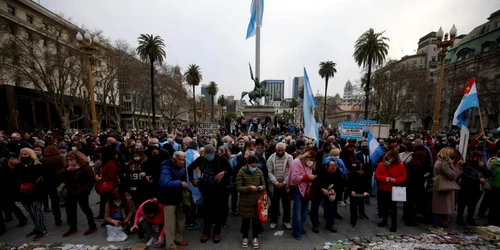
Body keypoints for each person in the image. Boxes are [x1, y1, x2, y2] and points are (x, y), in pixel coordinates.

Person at [188, 145, 232, 244]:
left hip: (220, 189)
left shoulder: (221, 159)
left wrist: (224, 173)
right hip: (206, 189)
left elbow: (231, 170)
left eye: (211, 154)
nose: (209, 156)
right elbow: (190, 168)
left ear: (214, 153)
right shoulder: (201, 160)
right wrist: (192, 180)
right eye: (207, 155)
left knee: (219, 211)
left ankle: (217, 232)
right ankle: (206, 232)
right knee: (207, 211)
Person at [8, 148, 49, 240]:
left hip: (35, 193)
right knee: (32, 213)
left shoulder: (37, 165)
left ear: (31, 155)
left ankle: (43, 230)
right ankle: (37, 228)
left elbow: (31, 176)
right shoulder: (20, 166)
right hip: (23, 194)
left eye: (25, 154)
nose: (22, 156)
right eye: (21, 154)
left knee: (37, 213)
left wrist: (18, 166)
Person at [59, 151, 97, 237]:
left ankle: (92, 226)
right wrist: (66, 170)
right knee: (71, 210)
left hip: (81, 190)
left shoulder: (85, 167)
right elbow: (58, 175)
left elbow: (91, 180)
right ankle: (73, 228)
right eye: (68, 160)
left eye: (72, 159)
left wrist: (86, 190)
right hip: (70, 190)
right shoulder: (67, 167)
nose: (70, 161)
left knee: (85, 208)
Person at [159, 151, 189, 250]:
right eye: (180, 159)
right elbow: (165, 183)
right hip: (169, 198)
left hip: (179, 197)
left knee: (181, 219)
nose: (182, 162)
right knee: (170, 223)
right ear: (174, 159)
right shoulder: (166, 167)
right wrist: (180, 183)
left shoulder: (182, 167)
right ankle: (170, 245)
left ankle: (178, 238)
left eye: (183, 159)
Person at [374, 149, 407, 232]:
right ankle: (384, 221)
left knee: (393, 208)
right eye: (389, 157)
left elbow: (404, 177)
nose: (390, 159)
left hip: (393, 190)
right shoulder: (381, 165)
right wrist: (385, 179)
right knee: (384, 206)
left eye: (392, 157)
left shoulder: (400, 165)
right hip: (383, 188)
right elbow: (377, 175)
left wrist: (395, 180)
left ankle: (394, 224)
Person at [236, 155, 265, 249]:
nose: (254, 168)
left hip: (257, 200)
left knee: (256, 221)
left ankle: (255, 238)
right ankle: (245, 237)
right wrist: (249, 188)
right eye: (252, 166)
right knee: (246, 221)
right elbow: (238, 187)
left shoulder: (259, 171)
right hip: (245, 201)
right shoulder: (241, 172)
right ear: (248, 164)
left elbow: (263, 184)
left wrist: (261, 187)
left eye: (255, 166)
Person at [431, 147, 462, 232]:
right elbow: (452, 176)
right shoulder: (444, 164)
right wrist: (457, 167)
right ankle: (436, 225)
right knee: (440, 208)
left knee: (438, 207)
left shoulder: (439, 161)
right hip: (444, 187)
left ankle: (437, 224)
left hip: (440, 185)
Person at [456, 151, 490, 226]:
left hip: (476, 189)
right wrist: (478, 180)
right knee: (462, 204)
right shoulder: (466, 165)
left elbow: (488, 174)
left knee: (473, 205)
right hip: (466, 187)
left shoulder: (480, 166)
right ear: (472, 157)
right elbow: (464, 175)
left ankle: (470, 219)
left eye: (481, 159)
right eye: (477, 158)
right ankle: (459, 218)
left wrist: (484, 167)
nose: (479, 160)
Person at [288, 150, 317, 240]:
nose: (311, 162)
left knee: (304, 210)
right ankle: (296, 232)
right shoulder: (296, 162)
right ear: (305, 157)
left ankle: (300, 227)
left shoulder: (309, 164)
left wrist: (311, 178)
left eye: (313, 160)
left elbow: (309, 172)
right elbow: (294, 178)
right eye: (310, 159)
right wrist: (307, 177)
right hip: (297, 188)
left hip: (306, 188)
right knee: (297, 211)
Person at [267, 142, 293, 230]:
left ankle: (286, 221)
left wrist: (285, 182)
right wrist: (276, 182)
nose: (281, 152)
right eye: (279, 150)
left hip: (285, 185)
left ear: (285, 150)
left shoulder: (289, 157)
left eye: (282, 150)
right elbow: (269, 172)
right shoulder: (271, 158)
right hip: (275, 185)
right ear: (275, 149)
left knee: (286, 204)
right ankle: (273, 221)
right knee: (274, 204)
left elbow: (291, 171)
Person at [310, 160, 341, 233]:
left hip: (330, 189)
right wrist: (321, 189)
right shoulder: (320, 168)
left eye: (333, 171)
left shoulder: (337, 171)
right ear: (326, 168)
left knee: (330, 207)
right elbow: (315, 181)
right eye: (330, 171)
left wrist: (334, 189)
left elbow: (339, 182)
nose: (332, 173)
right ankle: (315, 224)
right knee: (315, 206)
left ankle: (330, 225)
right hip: (319, 189)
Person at [40, 145, 64, 226]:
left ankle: (57, 219)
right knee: (67, 200)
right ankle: (70, 218)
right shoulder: (61, 158)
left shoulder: (42, 160)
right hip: (61, 181)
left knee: (54, 202)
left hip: (48, 183)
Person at [402, 151, 426, 227]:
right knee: (412, 204)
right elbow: (419, 179)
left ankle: (405, 217)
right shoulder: (418, 166)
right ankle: (409, 220)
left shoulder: (410, 164)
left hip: (409, 186)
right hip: (415, 187)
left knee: (407, 203)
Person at [348, 150, 372, 228]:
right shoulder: (352, 176)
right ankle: (353, 219)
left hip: (361, 193)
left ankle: (362, 213)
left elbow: (368, 185)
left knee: (361, 204)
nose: (361, 172)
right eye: (359, 171)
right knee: (353, 206)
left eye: (362, 171)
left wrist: (366, 192)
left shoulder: (366, 176)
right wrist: (351, 191)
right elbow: (349, 185)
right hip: (354, 193)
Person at [96, 146, 120, 220]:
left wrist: (101, 178)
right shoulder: (107, 162)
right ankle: (103, 214)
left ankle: (105, 215)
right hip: (108, 184)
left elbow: (112, 175)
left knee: (106, 200)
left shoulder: (111, 163)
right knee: (104, 200)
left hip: (110, 185)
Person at [486, 158, 500, 226]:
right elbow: (490, 175)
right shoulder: (494, 161)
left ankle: (498, 222)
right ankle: (491, 221)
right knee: (492, 205)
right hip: (494, 187)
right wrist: (493, 169)